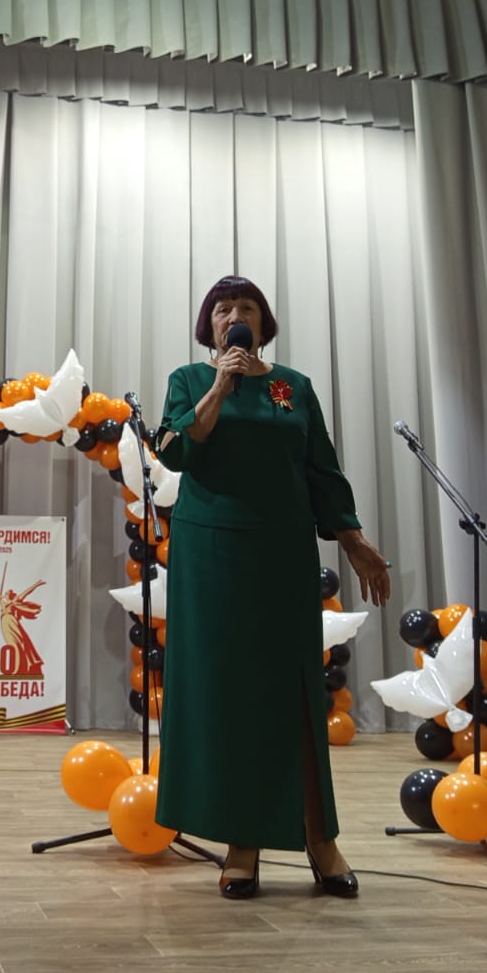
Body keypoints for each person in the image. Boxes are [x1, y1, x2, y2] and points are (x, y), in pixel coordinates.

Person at [153, 275, 391, 898]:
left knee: (293, 690)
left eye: (247, 307)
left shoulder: (292, 387)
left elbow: (321, 467)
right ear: (209, 325)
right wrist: (220, 386)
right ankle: (243, 842)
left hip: (282, 550)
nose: (235, 314)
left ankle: (319, 837)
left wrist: (353, 538)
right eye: (223, 308)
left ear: (263, 322)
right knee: (230, 694)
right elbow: (176, 451)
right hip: (211, 554)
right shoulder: (189, 379)